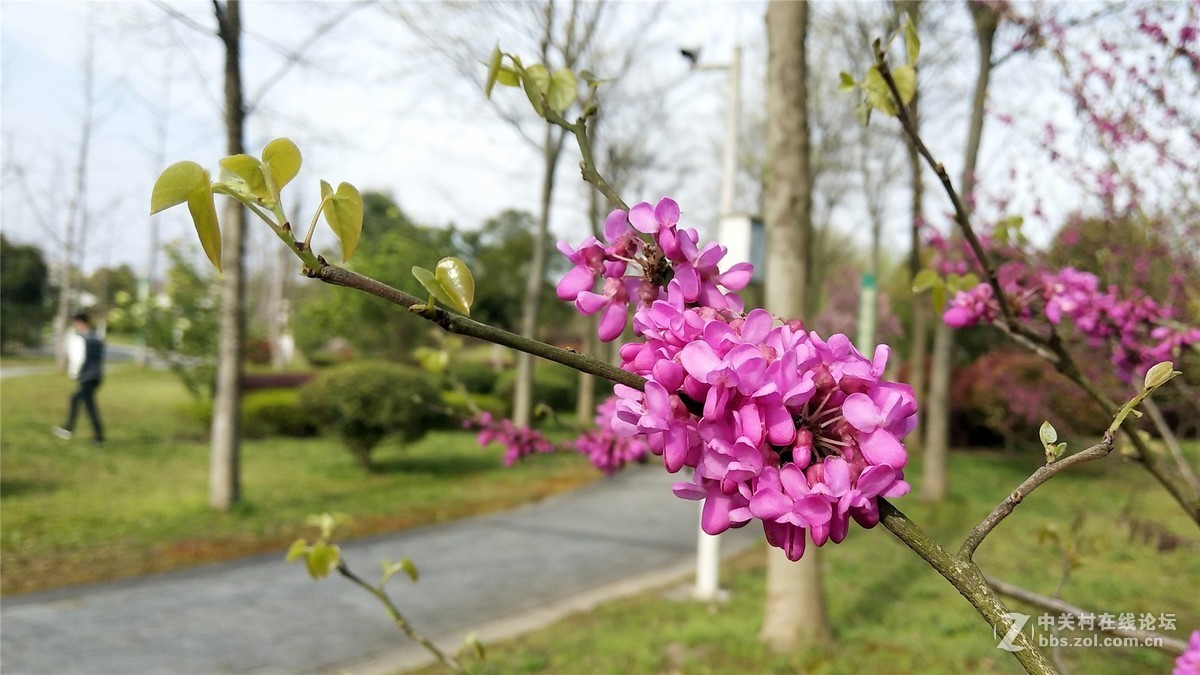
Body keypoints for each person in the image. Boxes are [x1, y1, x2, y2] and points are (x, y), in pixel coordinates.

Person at [53, 312, 105, 445]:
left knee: (89, 406)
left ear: (82, 323)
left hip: (87, 376)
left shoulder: (83, 339)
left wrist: (75, 373)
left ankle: (98, 437)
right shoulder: (96, 338)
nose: (76, 326)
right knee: (75, 399)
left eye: (76, 324)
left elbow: (79, 360)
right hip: (96, 376)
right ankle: (69, 428)